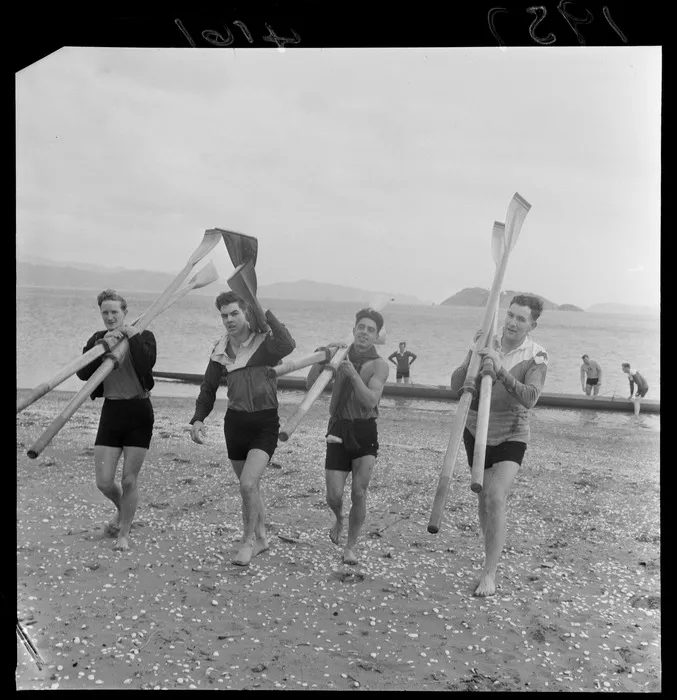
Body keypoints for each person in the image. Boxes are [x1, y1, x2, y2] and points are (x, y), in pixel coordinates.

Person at [450, 294, 548, 597]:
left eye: (521, 319)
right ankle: (491, 550)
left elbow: (530, 398)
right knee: (483, 500)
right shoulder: (485, 342)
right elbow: (456, 386)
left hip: (511, 432)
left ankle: (489, 573)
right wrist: (473, 355)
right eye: (510, 315)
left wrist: (501, 371)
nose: (512, 323)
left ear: (532, 324)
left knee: (495, 496)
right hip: (475, 428)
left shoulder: (537, 355)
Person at [189, 291, 295, 566]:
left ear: (247, 313)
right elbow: (209, 388)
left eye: (234, 313)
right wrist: (199, 418)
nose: (229, 319)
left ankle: (247, 542)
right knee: (250, 486)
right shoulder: (220, 349)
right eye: (224, 315)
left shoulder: (265, 343)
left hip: (265, 423)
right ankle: (261, 537)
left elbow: (288, 344)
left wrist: (265, 312)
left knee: (248, 484)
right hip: (235, 424)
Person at [306, 308, 390, 565]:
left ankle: (350, 547)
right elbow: (311, 387)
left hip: (365, 430)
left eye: (370, 330)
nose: (365, 332)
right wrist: (320, 360)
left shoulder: (380, 365)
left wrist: (352, 373)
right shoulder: (339, 355)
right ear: (353, 330)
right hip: (338, 428)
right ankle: (339, 518)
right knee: (333, 495)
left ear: (376, 337)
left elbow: (370, 400)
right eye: (361, 327)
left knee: (359, 493)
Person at [76, 289, 157, 552]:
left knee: (129, 480)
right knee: (104, 481)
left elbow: (146, 364)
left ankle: (124, 532)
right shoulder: (97, 339)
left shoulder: (144, 335)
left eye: (115, 312)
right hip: (112, 412)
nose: (110, 317)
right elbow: (83, 373)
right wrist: (102, 347)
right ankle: (125, 511)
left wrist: (131, 336)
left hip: (139, 412)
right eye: (105, 312)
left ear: (125, 312)